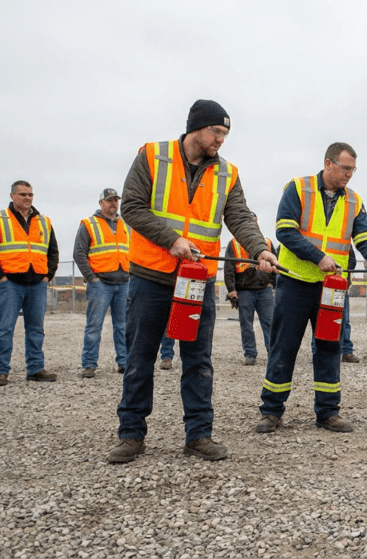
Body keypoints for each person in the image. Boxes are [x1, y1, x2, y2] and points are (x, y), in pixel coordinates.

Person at [109, 99, 278, 464]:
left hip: (195, 281)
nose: (221, 139)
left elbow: (240, 216)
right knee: (140, 358)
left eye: (225, 134)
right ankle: (131, 434)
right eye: (216, 131)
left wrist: (260, 249)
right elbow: (132, 207)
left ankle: (199, 435)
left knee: (198, 360)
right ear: (195, 128)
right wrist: (171, 240)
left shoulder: (227, 173)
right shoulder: (152, 156)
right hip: (151, 277)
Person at [256, 142, 367, 435]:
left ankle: (328, 412)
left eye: (353, 169)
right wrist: (318, 257)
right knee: (284, 346)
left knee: (330, 346)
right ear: (328, 164)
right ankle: (271, 411)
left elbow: (365, 237)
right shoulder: (298, 188)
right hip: (295, 282)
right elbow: (285, 230)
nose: (350, 174)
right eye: (346, 168)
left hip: (330, 288)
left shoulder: (354, 200)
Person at [0, 180, 59, 386]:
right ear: (12, 196)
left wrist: (47, 275)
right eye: (23, 194)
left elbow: (52, 252)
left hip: (37, 283)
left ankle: (36, 369)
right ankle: (0, 371)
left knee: (36, 329)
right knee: (5, 329)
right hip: (10, 284)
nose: (27, 198)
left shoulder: (44, 221)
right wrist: (0, 276)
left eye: (30, 194)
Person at [75, 188, 130, 378]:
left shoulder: (125, 224)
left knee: (123, 326)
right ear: (101, 203)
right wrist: (92, 278)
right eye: (109, 200)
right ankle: (89, 365)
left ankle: (124, 362)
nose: (113, 203)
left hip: (124, 282)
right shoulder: (89, 224)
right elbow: (79, 253)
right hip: (100, 284)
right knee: (94, 326)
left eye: (115, 200)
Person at [224, 214, 277, 366]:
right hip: (244, 291)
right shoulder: (233, 244)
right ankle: (250, 354)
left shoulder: (267, 243)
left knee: (269, 323)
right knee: (246, 324)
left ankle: (273, 354)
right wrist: (232, 289)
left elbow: (276, 266)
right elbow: (229, 268)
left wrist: (276, 286)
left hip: (265, 289)